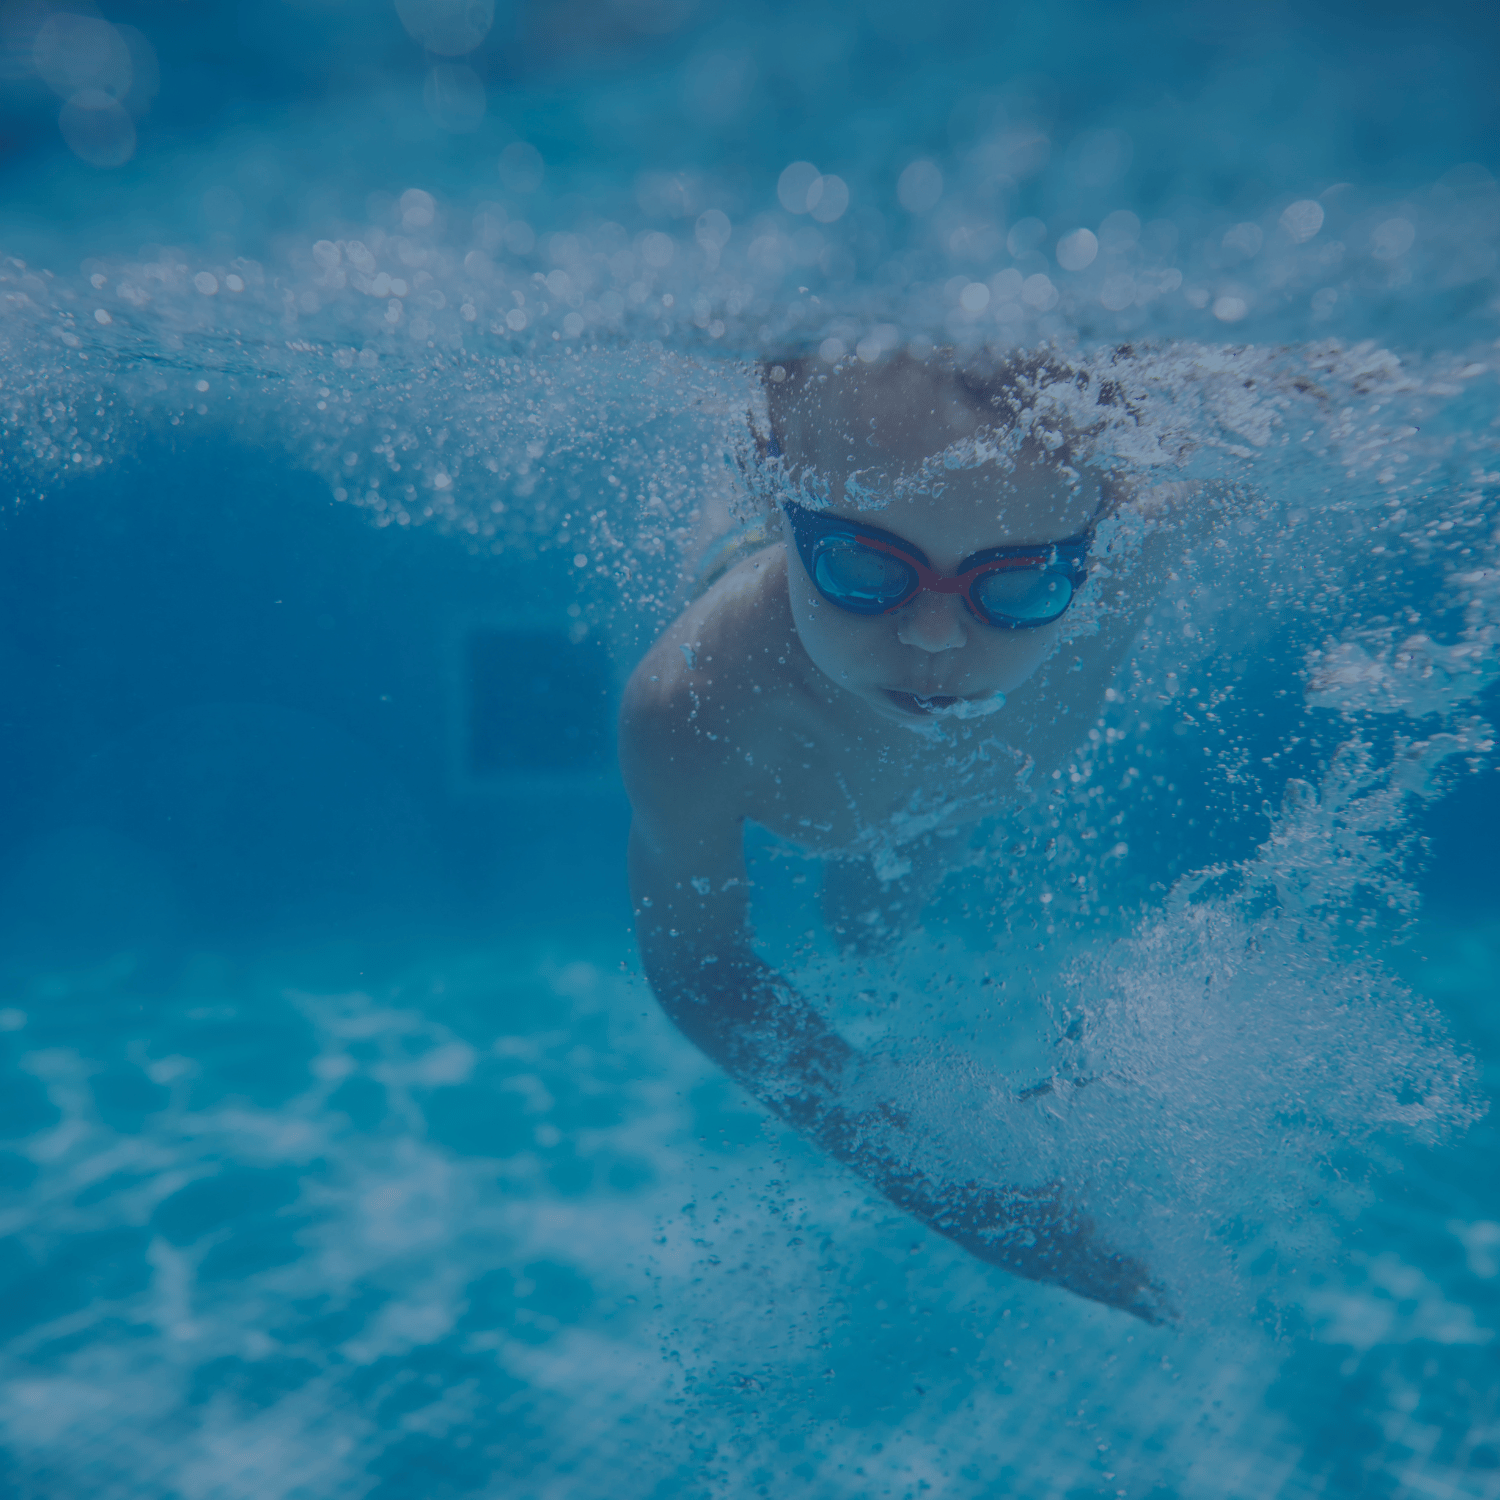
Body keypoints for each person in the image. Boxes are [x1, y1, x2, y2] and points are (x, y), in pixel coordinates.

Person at [619, 348, 1177, 1322]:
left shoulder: (1133, 555)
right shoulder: (696, 710)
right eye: (864, 565)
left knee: (870, 929)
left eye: (1020, 583)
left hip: (945, 800)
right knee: (864, 918)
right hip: (810, 723)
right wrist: (954, 1189)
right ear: (775, 480)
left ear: (1100, 527)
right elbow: (702, 972)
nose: (931, 640)